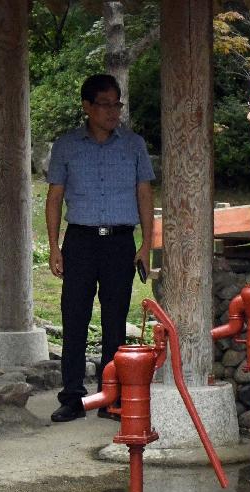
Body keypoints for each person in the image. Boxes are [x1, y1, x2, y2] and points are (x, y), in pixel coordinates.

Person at [46, 73, 154, 422]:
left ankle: (112, 396)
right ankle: (72, 396)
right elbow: (55, 197)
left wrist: (146, 243)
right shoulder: (66, 145)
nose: (112, 112)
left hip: (121, 241)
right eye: (105, 105)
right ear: (87, 107)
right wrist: (53, 246)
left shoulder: (133, 144)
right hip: (79, 239)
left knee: (115, 319)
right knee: (74, 316)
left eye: (116, 104)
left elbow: (144, 193)